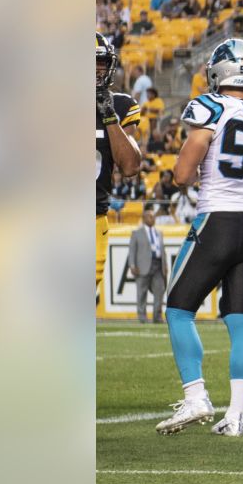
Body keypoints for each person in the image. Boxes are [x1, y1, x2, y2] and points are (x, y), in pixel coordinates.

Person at [157, 39, 243, 438]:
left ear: (218, 72)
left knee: (178, 309)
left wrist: (187, 175)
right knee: (242, 321)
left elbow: (182, 174)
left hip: (218, 218)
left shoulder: (211, 106)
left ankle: (196, 395)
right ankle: (236, 416)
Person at [96, 33, 143, 296]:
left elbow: (130, 166)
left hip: (93, 218)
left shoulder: (121, 105)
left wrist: (109, 116)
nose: (95, 69)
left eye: (100, 61)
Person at [127, 205, 167, 325]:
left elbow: (162, 250)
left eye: (153, 216)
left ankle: (157, 316)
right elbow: (132, 251)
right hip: (143, 266)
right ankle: (142, 317)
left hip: (158, 265)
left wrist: (165, 264)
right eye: (149, 216)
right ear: (144, 218)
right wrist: (132, 265)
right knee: (142, 292)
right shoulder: (137, 233)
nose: (152, 218)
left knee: (159, 291)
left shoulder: (159, 233)